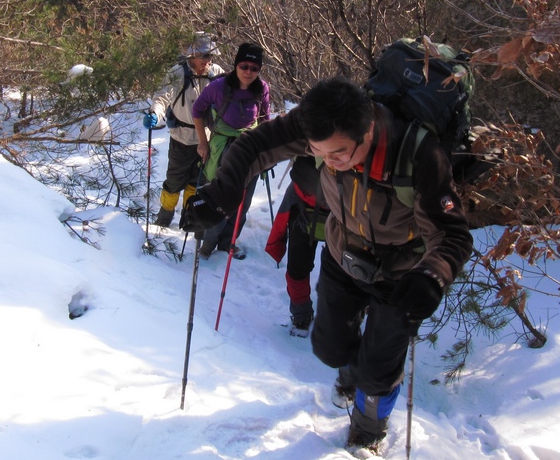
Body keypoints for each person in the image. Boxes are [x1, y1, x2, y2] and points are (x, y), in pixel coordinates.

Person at [181, 77, 472, 454]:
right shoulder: (319, 124)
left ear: (367, 130)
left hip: (401, 273)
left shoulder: (420, 156)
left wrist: (433, 277)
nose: (329, 161)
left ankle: (368, 428)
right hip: (343, 252)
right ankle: (352, 371)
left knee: (378, 371)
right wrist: (222, 194)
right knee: (330, 348)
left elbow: (453, 235)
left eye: (338, 154)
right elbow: (255, 144)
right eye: (320, 154)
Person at [191, 42, 271, 260]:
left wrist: (267, 150)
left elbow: (264, 119)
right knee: (218, 200)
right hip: (222, 149)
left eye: (254, 68)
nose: (248, 72)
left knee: (242, 202)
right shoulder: (219, 87)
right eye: (244, 66)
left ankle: (228, 242)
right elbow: (197, 110)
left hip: (249, 151)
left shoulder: (262, 88)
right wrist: (202, 142)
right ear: (236, 65)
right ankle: (207, 245)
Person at [143, 33, 224, 227]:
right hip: (182, 139)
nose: (208, 60)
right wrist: (155, 113)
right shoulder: (177, 73)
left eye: (210, 56)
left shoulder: (216, 72)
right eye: (205, 55)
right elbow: (163, 97)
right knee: (174, 181)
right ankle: (164, 217)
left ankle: (188, 216)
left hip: (207, 139)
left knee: (196, 182)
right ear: (192, 54)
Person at [264, 155, 329, 335]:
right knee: (303, 266)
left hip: (316, 200)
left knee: (302, 267)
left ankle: (305, 317)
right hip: (334, 203)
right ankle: (308, 315)